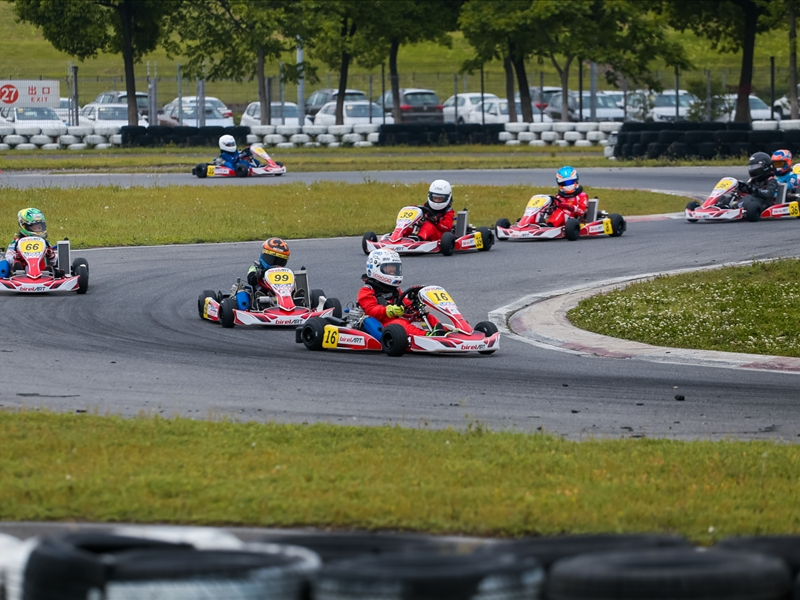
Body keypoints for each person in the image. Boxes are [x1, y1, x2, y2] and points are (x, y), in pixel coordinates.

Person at [357, 249, 444, 337]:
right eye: (390, 270)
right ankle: (426, 336)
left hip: (398, 319)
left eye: (395, 270)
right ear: (375, 269)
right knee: (401, 324)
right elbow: (371, 310)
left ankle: (443, 331)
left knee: (428, 317)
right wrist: (388, 310)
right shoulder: (367, 290)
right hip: (382, 323)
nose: (393, 273)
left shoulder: (395, 290)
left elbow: (406, 303)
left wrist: (417, 308)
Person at [3, 208, 58, 275]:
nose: (37, 230)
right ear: (24, 226)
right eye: (34, 228)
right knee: (9, 264)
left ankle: (47, 272)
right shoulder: (16, 242)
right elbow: (8, 257)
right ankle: (18, 271)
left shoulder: (45, 242)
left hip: (42, 272)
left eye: (39, 228)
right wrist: (15, 256)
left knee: (48, 265)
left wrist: (51, 255)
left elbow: (54, 261)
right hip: (21, 272)